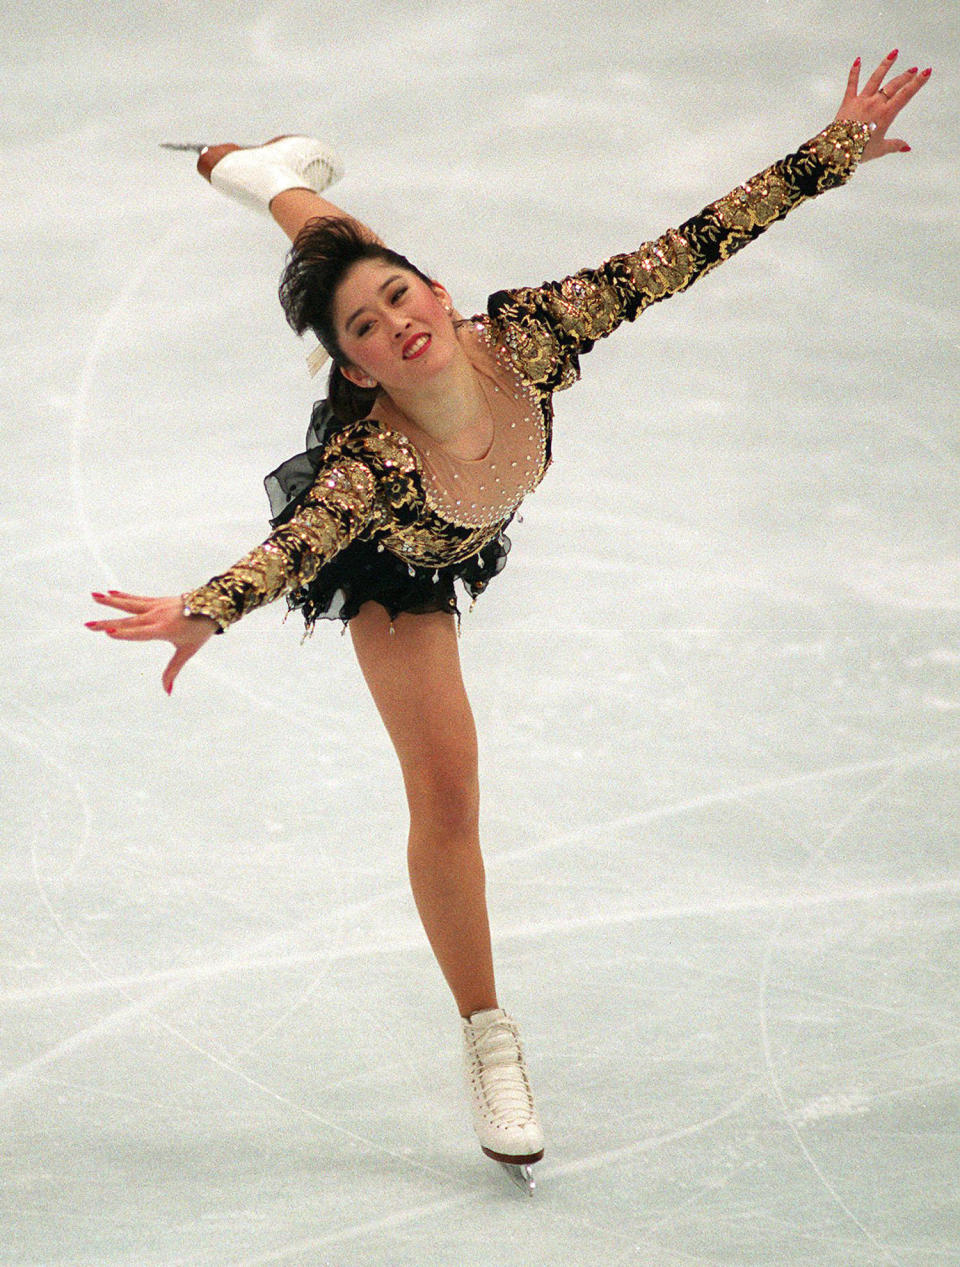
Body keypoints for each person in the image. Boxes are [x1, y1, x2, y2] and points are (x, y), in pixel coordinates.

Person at [85, 53, 930, 1190]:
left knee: (347, 258)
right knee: (448, 796)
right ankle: (490, 1037)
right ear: (352, 371)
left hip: (459, 477)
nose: (399, 323)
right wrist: (206, 608)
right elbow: (300, 546)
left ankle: (264, 173)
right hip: (401, 562)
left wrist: (830, 153)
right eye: (368, 333)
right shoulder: (369, 461)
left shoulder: (526, 332)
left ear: (446, 294)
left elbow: (687, 247)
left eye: (411, 298)